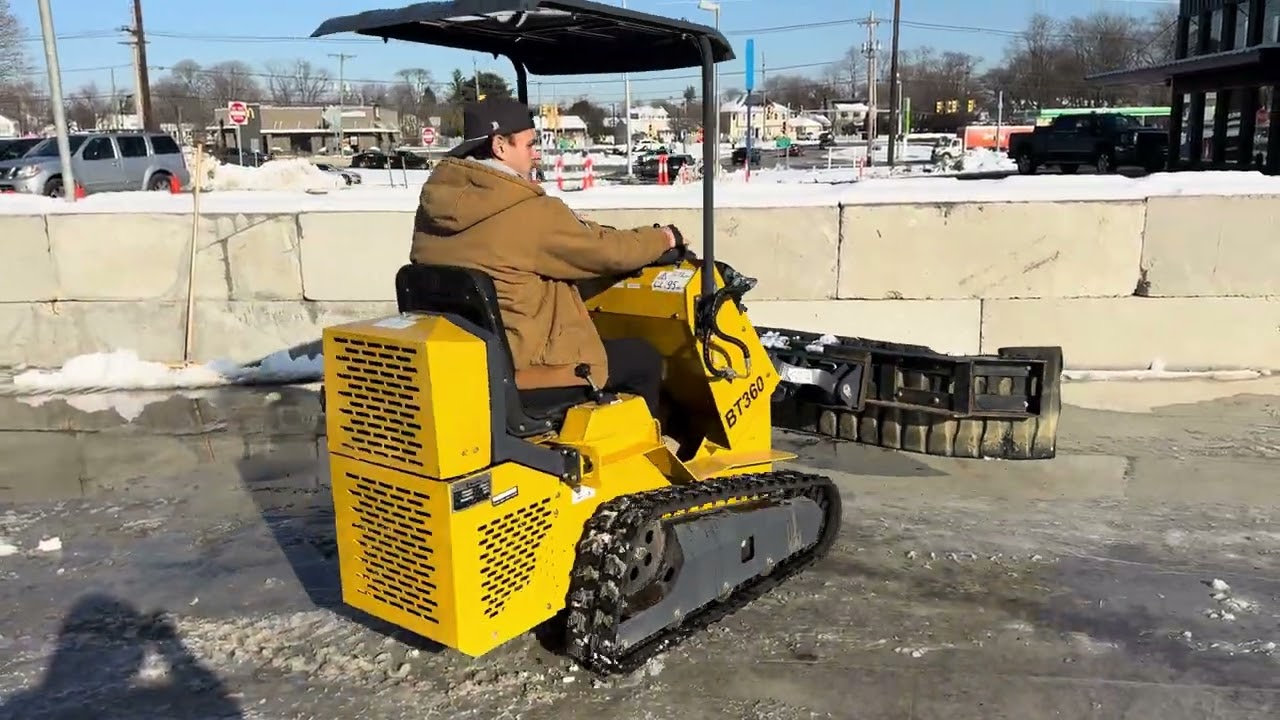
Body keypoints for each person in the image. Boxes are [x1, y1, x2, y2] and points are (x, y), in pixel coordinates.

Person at [410, 97, 681, 418]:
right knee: (642, 358)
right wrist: (665, 237)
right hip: (529, 370)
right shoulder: (527, 211)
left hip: (469, 366)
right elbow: (611, 253)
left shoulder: (435, 209)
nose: (536, 153)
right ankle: (642, 459)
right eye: (529, 144)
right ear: (500, 146)